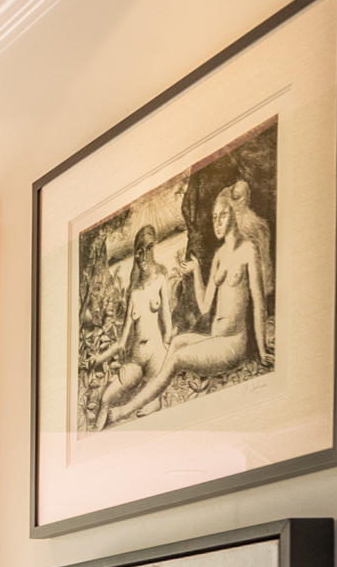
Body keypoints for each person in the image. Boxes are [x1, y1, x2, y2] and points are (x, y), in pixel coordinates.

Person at [104, 181, 274, 424]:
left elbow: (258, 303)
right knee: (177, 341)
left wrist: (263, 348)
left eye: (222, 215)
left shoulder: (248, 250)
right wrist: (195, 272)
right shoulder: (218, 256)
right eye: (214, 216)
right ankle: (153, 399)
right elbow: (205, 306)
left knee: (176, 359)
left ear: (234, 215)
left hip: (233, 344)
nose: (216, 222)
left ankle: (125, 410)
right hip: (216, 338)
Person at [89, 225, 177, 430]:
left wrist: (168, 347)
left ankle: (153, 399)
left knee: (151, 400)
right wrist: (99, 358)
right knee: (106, 397)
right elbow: (122, 341)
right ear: (135, 254)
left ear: (153, 249)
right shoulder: (133, 292)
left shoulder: (161, 280)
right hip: (136, 360)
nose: (144, 256)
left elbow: (167, 320)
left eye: (148, 248)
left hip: (156, 354)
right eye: (139, 251)